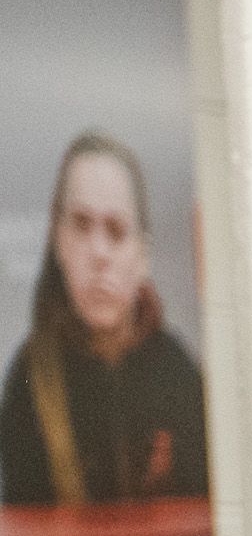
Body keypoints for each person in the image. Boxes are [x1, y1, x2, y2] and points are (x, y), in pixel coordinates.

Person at [1, 130, 208, 509]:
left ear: (142, 256)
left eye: (116, 231)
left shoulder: (181, 379)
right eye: (81, 225)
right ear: (58, 241)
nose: (99, 253)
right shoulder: (28, 383)